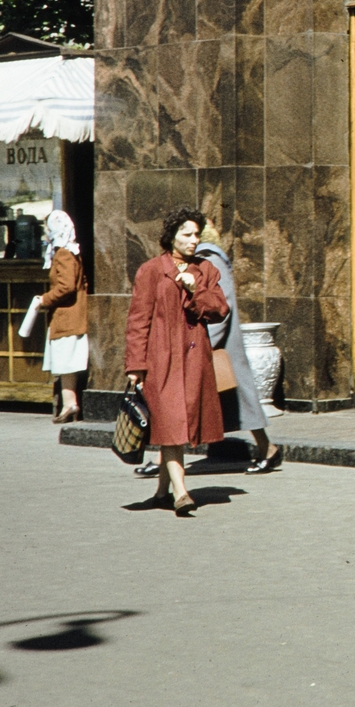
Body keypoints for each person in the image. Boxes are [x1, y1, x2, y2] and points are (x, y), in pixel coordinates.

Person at [124, 207, 230, 516]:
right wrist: (136, 365)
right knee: (171, 422)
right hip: (161, 358)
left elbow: (219, 310)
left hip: (194, 357)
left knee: (179, 422)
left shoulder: (206, 270)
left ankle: (161, 491)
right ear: (171, 237)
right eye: (186, 234)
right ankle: (181, 492)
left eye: (197, 234)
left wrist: (195, 290)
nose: (193, 240)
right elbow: (138, 321)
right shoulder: (152, 271)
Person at [197, 221, 282, 475]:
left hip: (215, 346)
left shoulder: (210, 259)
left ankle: (268, 448)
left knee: (183, 403)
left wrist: (202, 342)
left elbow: (222, 307)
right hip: (211, 345)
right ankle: (268, 449)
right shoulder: (201, 259)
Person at [37, 211, 88, 424]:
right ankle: (69, 402)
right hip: (70, 315)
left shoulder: (63, 253)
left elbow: (66, 286)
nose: (46, 234)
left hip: (67, 316)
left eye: (48, 229)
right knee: (66, 360)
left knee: (65, 359)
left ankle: (70, 403)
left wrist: (45, 299)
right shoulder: (69, 250)